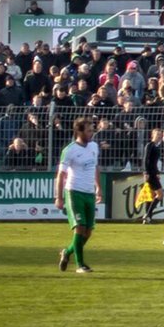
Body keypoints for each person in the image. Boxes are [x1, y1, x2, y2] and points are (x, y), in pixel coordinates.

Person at [54, 117, 101, 273]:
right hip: (74, 192)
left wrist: (98, 187)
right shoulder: (70, 150)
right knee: (79, 228)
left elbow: (95, 167)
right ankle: (80, 265)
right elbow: (61, 175)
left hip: (89, 193)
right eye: (88, 130)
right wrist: (59, 197)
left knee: (88, 232)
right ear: (79, 131)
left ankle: (66, 252)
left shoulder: (94, 146)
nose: (92, 133)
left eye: (92, 130)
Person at [135, 127, 164, 222]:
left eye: (160, 135)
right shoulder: (150, 145)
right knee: (160, 194)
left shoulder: (157, 146)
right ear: (152, 135)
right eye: (157, 134)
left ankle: (147, 217)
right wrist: (146, 172)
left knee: (151, 195)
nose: (159, 136)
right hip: (150, 174)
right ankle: (148, 214)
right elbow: (146, 159)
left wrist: (157, 173)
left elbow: (154, 162)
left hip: (153, 173)